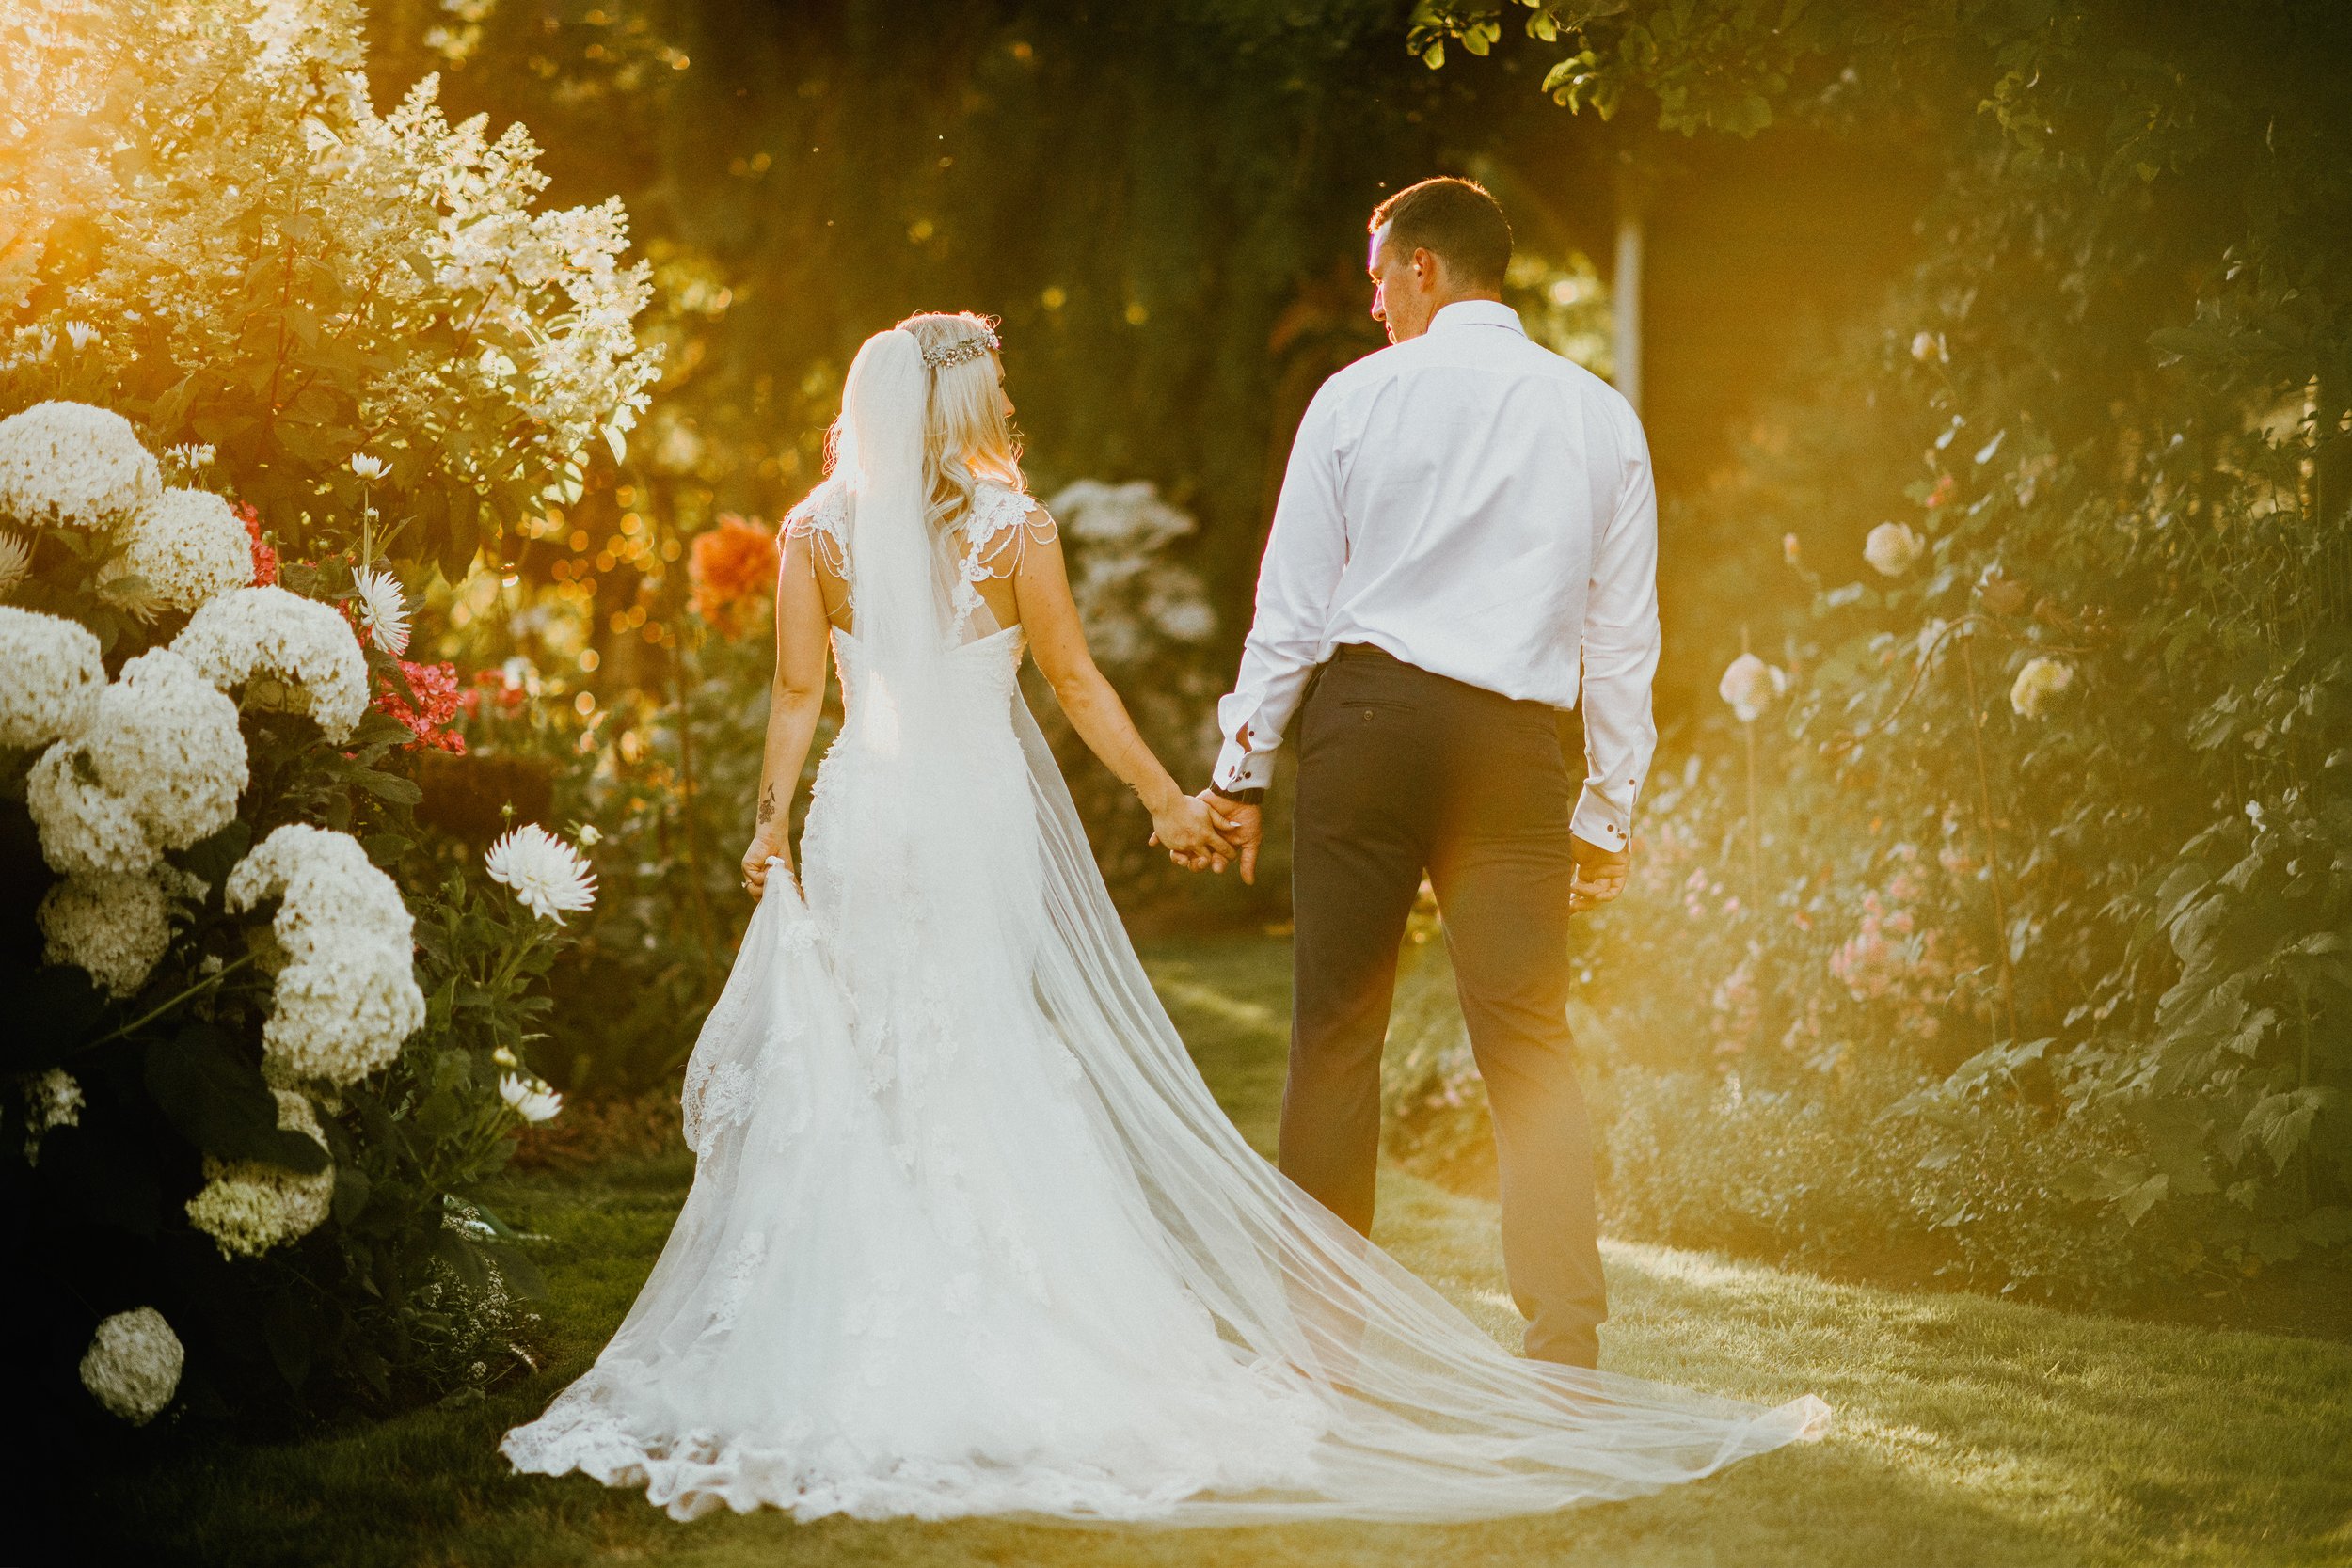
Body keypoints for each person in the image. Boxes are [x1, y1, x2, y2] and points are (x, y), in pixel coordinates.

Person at [499, 309, 1823, 1525]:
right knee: (981, 1039)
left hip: (867, 811)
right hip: (972, 817)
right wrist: (1171, 799)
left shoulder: (813, 531)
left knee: (873, 1050)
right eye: (997, 387)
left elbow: (797, 695)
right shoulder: (1015, 528)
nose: (1010, 403)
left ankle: (857, 1314)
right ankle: (1511, 1342)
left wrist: (773, 814)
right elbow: (1073, 683)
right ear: (962, 408)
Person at [1197, 176, 1648, 1370]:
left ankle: (1319, 1332)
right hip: (1510, 754)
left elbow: (1289, 608)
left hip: (1372, 728)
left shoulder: (1354, 400)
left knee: (1336, 1030)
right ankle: (1564, 1333)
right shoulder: (1599, 415)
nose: (1371, 302)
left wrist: (1238, 773)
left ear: (1425, 270)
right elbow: (1621, 634)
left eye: (1378, 276)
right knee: (1528, 1036)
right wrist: (1607, 808)